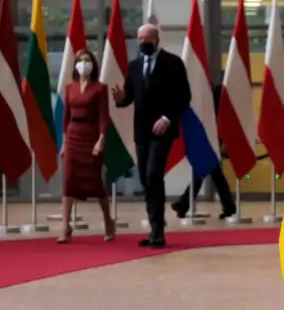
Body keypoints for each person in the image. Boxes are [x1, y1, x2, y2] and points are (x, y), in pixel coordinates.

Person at [110, 24, 191, 248]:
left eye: (147, 38)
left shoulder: (173, 63)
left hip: (163, 129)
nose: (143, 42)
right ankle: (156, 224)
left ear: (157, 39)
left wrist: (167, 118)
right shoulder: (134, 66)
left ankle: (158, 231)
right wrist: (119, 98)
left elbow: (184, 96)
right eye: (140, 38)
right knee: (146, 178)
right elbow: (129, 97)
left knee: (154, 173)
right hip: (142, 131)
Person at [59, 49, 116, 244]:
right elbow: (65, 118)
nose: (84, 63)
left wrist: (101, 140)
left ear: (93, 64)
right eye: (81, 60)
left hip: (91, 135)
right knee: (68, 179)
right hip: (73, 135)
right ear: (75, 64)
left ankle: (108, 220)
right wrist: (64, 143)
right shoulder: (69, 88)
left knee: (95, 181)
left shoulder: (100, 88)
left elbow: (103, 116)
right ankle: (65, 226)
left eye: (88, 60)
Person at [172, 81, 236, 219]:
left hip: (211, 136)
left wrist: (224, 141)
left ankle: (184, 203)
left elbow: (223, 118)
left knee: (208, 171)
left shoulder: (216, 91)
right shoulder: (208, 92)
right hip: (207, 136)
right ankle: (228, 207)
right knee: (209, 172)